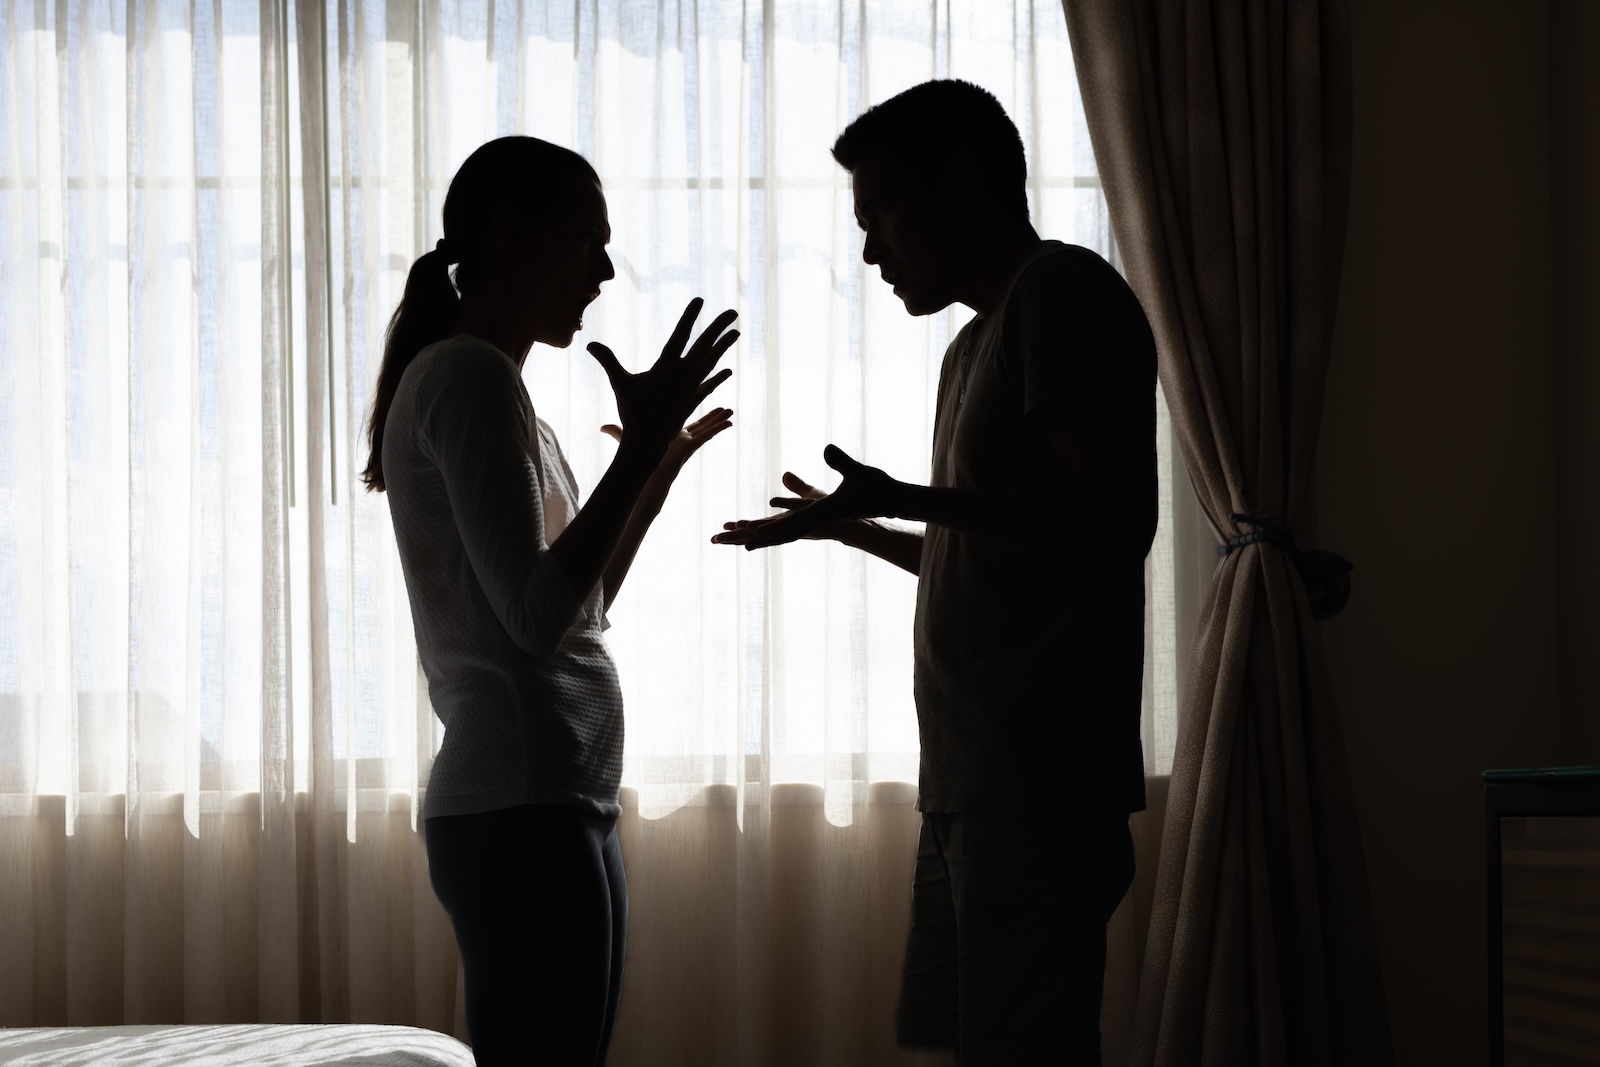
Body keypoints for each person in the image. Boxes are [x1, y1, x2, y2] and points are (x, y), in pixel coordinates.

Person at [713, 81, 1157, 1064]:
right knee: (968, 1041)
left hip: (1038, 783)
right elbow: (991, 557)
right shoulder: (971, 344)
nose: (872, 251)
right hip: (970, 776)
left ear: (959, 185)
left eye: (882, 213)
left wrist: (908, 497)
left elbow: (1115, 516)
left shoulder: (1061, 292)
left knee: (1026, 1047)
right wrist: (862, 527)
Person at [362, 135, 738, 1066]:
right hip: (520, 806)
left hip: (556, 801)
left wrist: (648, 472)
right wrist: (633, 453)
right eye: (587, 242)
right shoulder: (469, 374)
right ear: (511, 236)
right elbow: (533, 621)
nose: (605, 270)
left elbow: (580, 606)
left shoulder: (501, 391)